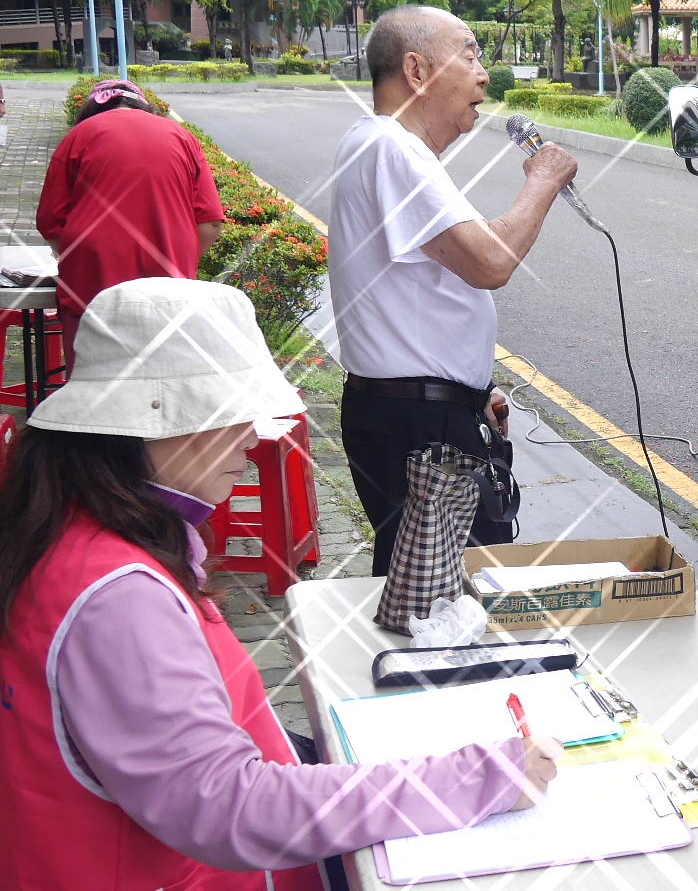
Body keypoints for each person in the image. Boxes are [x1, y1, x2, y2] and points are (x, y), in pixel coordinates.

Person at [0, 278, 561, 888]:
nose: (251, 436)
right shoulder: (117, 598)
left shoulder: (73, 525)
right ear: (148, 420)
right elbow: (229, 804)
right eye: (227, 412)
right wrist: (480, 778)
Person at [328, 5, 578, 576]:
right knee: (452, 595)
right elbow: (488, 261)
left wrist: (468, 389)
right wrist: (543, 180)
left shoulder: (377, 144)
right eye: (469, 55)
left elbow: (419, 283)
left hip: (419, 412)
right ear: (416, 71)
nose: (483, 73)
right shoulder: (392, 148)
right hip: (418, 425)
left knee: (424, 582)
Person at [37, 78, 225, 366]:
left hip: (91, 288)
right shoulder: (182, 137)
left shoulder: (78, 136)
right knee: (163, 383)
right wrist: (174, 257)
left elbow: (50, 221)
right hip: (169, 293)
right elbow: (210, 222)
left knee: (92, 384)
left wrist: (77, 257)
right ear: (142, 105)